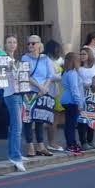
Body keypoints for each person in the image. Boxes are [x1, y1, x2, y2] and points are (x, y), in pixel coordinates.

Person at [22, 34, 56, 157]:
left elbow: (50, 75)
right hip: (30, 91)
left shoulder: (45, 58)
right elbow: (26, 75)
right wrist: (40, 87)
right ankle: (30, 146)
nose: (30, 45)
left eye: (33, 43)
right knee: (28, 119)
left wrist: (45, 87)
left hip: (43, 91)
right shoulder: (25, 58)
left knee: (40, 119)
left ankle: (41, 146)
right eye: (28, 43)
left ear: (39, 44)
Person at [3, 35, 26, 172]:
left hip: (19, 94)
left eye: (14, 42)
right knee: (17, 127)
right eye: (9, 42)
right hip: (10, 94)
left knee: (16, 126)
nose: (12, 44)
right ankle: (15, 157)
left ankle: (15, 153)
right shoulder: (3, 60)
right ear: (5, 45)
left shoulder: (16, 61)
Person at [76, 46, 95, 150]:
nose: (82, 56)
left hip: (92, 93)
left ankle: (90, 140)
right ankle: (83, 142)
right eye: (80, 54)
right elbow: (75, 80)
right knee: (82, 118)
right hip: (81, 93)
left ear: (89, 55)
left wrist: (94, 84)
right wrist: (83, 84)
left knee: (91, 118)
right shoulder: (77, 66)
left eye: (84, 54)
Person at [60, 51, 85, 156]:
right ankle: (71, 145)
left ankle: (71, 143)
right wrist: (79, 103)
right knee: (71, 124)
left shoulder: (65, 72)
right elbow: (75, 89)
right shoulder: (73, 73)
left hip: (66, 99)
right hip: (72, 101)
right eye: (78, 60)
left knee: (69, 124)